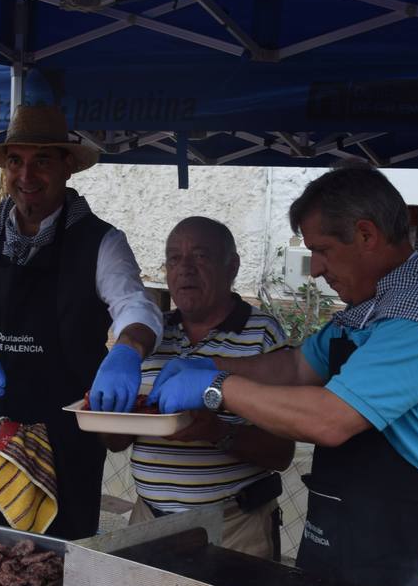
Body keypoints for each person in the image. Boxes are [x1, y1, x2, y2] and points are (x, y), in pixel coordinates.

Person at [151, 165, 418, 586]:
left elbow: (329, 419)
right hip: (358, 543)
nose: (316, 270)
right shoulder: (369, 313)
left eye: (323, 250)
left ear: (366, 234)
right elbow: (293, 367)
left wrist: (216, 388)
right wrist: (206, 362)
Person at [0, 104, 162, 540]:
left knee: (56, 570)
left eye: (42, 161)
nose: (26, 175)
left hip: (66, 444)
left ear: (67, 166)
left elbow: (136, 306)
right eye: (16, 161)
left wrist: (127, 350)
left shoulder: (100, 242)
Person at [107, 217, 293, 560]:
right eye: (174, 259)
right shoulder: (149, 334)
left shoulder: (262, 333)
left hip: (235, 528)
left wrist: (217, 431)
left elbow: (282, 453)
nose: (185, 270)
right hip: (148, 520)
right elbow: (117, 442)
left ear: (232, 266)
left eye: (200, 257)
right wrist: (108, 414)